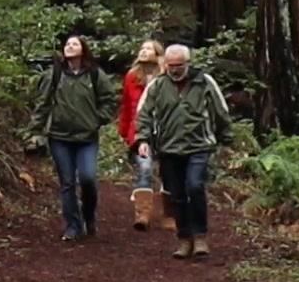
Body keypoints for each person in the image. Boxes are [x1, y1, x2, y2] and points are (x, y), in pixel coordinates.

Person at [143, 42, 234, 259]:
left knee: (195, 186)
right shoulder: (157, 85)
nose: (174, 69)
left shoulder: (204, 82)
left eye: (179, 65)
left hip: (199, 146)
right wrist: (143, 140)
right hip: (168, 148)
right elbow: (144, 114)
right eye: (171, 65)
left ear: (187, 63)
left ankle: (200, 236)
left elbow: (220, 111)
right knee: (177, 195)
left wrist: (227, 140)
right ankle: (184, 239)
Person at [28, 33, 118, 240]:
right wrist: (34, 130)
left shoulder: (95, 74)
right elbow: (43, 103)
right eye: (67, 44)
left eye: (74, 44)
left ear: (83, 49)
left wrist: (97, 119)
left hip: (87, 137)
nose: (69, 46)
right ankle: (72, 225)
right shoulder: (55, 74)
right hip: (59, 136)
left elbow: (109, 100)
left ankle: (89, 216)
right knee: (67, 182)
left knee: (87, 178)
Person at [119, 39, 165, 229]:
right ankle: (142, 215)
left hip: (163, 131)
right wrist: (124, 132)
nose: (144, 51)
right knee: (145, 167)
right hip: (139, 132)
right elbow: (127, 106)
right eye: (142, 48)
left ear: (157, 53)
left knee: (166, 172)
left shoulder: (165, 76)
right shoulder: (131, 77)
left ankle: (167, 213)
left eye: (149, 48)